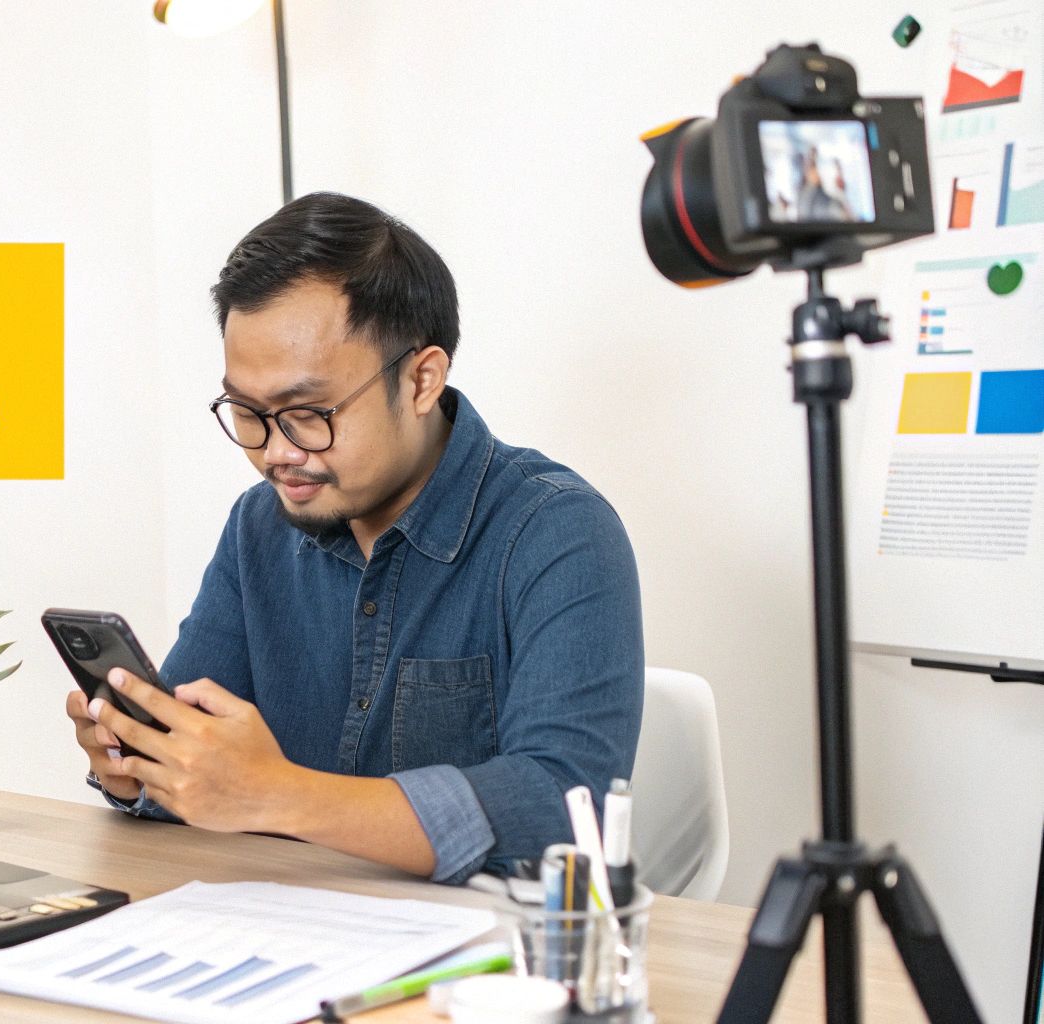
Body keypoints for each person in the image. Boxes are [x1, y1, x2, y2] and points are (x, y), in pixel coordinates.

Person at [64, 192, 643, 883]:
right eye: (248, 412)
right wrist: (137, 769)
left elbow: (564, 809)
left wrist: (278, 792)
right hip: (286, 935)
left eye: (307, 413)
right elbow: (203, 772)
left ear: (422, 378)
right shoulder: (259, 528)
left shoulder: (559, 533)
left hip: (484, 966)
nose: (276, 451)